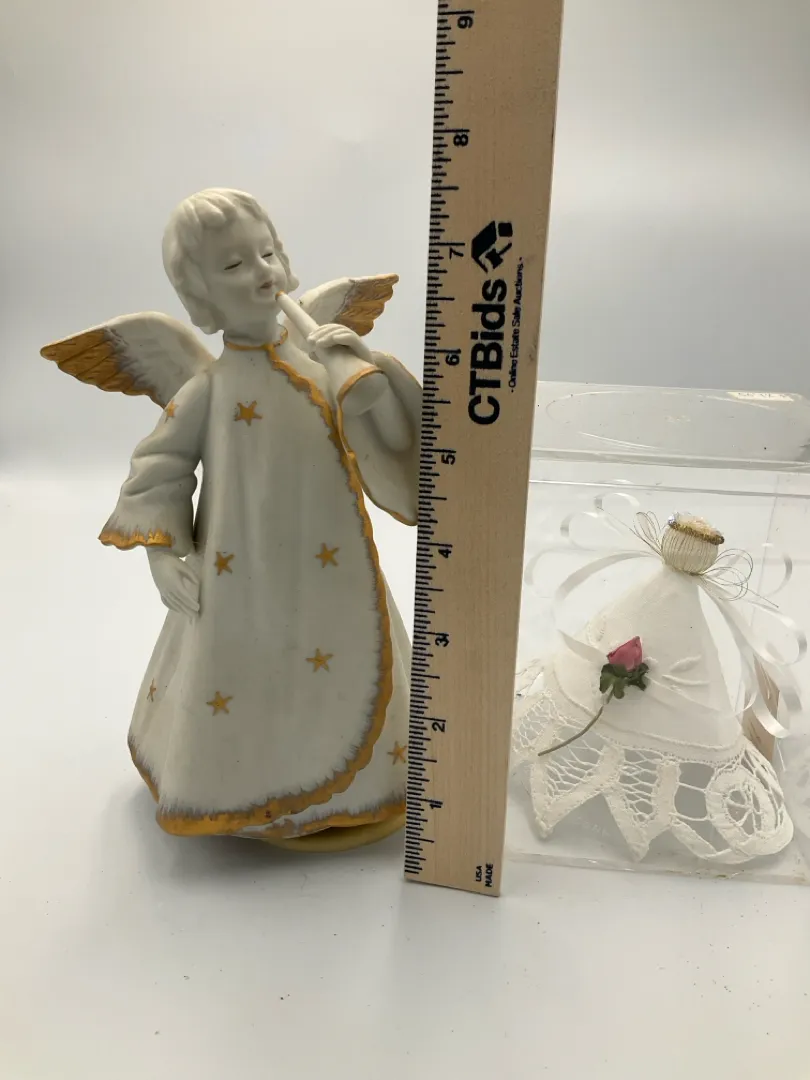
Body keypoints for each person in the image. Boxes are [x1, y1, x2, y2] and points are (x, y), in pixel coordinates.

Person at [43, 188, 420, 850]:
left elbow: (384, 433)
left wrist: (373, 375)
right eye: (234, 265)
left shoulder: (324, 359)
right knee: (253, 679)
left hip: (336, 568)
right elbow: (159, 469)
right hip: (244, 574)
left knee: (354, 659)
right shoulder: (209, 390)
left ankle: (361, 789)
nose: (261, 272)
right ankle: (260, 792)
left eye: (266, 253)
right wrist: (166, 556)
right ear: (201, 301)